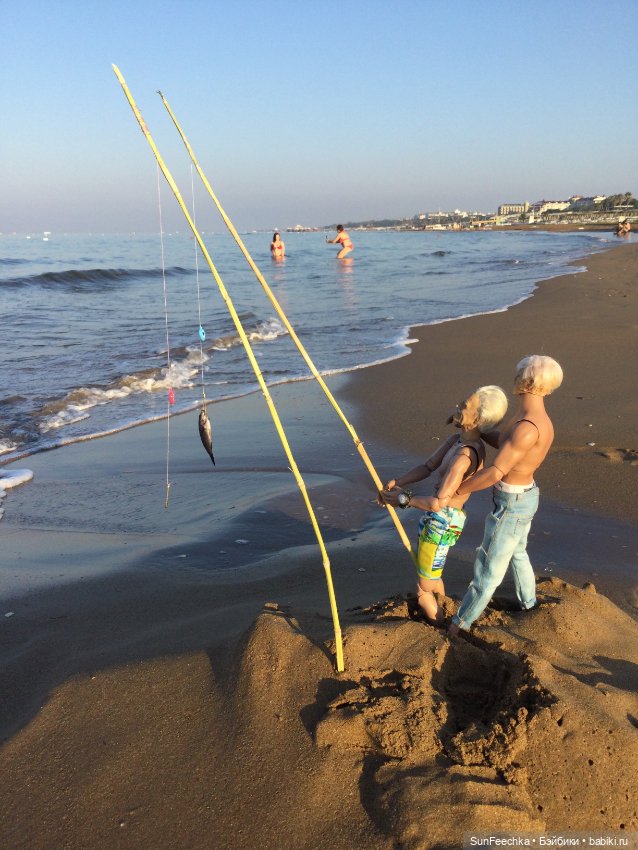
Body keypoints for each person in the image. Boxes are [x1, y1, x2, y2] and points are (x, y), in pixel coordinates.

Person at [448, 355, 564, 636]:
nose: (514, 378)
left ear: (526, 381)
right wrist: (476, 430)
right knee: (517, 552)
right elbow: (504, 442)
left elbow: (496, 471)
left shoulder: (527, 427)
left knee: (488, 568)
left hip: (512, 503)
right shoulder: (533, 419)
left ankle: (459, 625)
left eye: (518, 374)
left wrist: (457, 490)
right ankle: (529, 602)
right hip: (524, 497)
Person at [379, 386, 508, 626]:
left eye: (465, 406)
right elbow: (428, 467)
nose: (458, 406)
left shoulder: (464, 457)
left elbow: (438, 503)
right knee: (432, 574)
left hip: (441, 521)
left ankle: (438, 625)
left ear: (478, 419)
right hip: (443, 518)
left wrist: (403, 500)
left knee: (423, 588)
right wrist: (400, 481)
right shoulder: (456, 441)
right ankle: (444, 604)